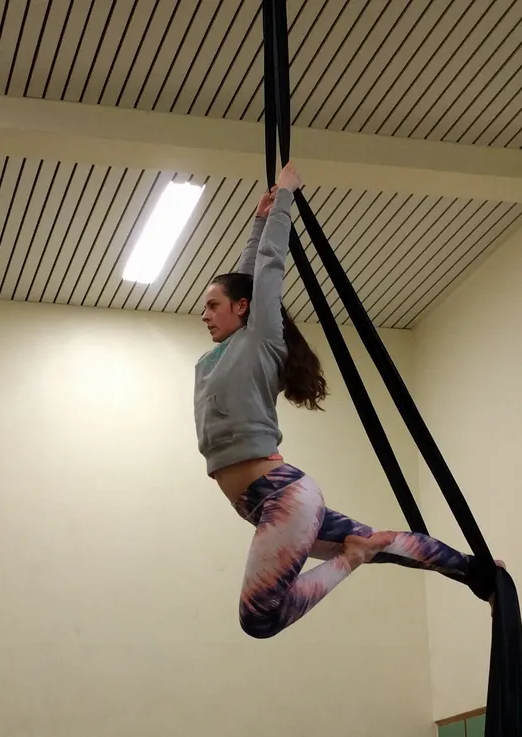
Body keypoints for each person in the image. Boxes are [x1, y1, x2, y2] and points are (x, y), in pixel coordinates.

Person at [195, 162, 502, 639]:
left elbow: (267, 269)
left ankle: (351, 560)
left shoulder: (260, 339)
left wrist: (285, 201)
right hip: (267, 504)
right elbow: (247, 277)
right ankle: (480, 574)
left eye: (212, 305)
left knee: (259, 618)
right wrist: (259, 220)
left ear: (242, 309)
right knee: (378, 543)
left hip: (281, 497)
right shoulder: (217, 356)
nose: (204, 314)